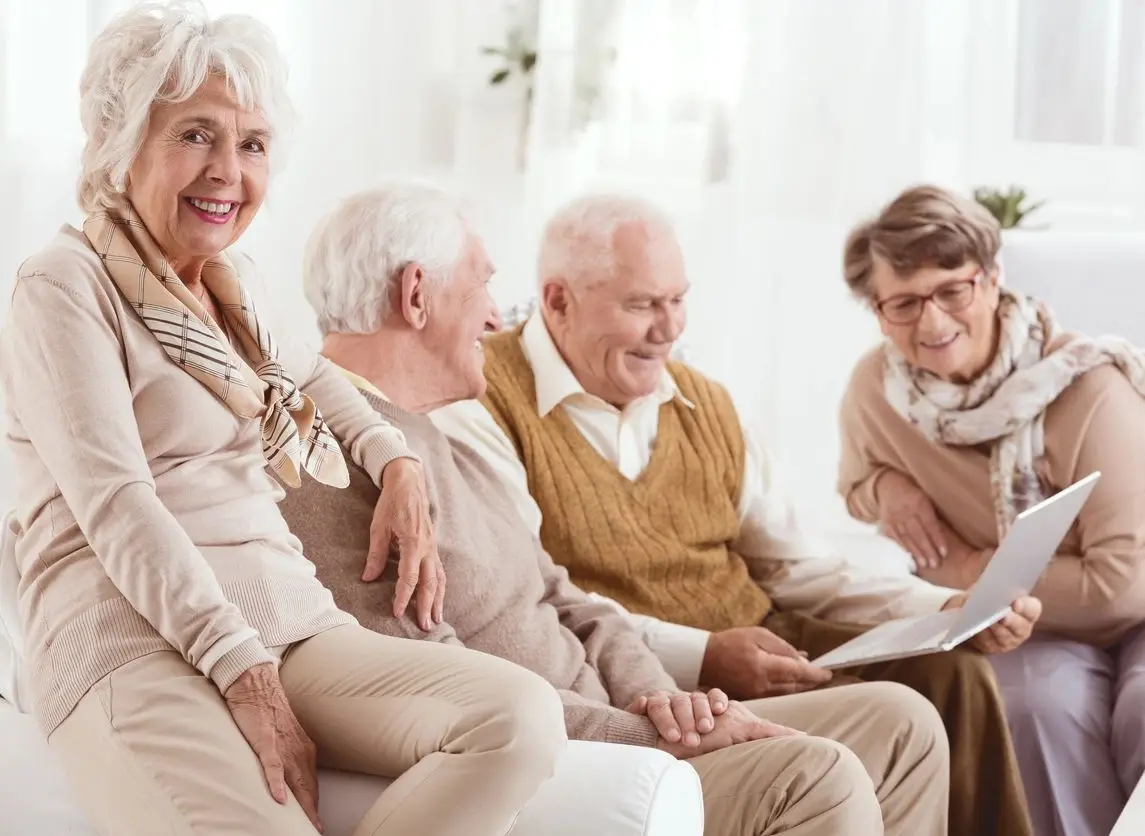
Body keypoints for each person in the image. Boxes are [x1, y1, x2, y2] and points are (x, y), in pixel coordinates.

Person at [0, 4, 567, 834]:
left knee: (516, 718)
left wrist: (396, 463)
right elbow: (119, 507)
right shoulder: (63, 287)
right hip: (127, 632)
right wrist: (243, 676)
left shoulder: (238, 287)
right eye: (195, 135)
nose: (227, 170)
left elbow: (315, 378)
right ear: (124, 145)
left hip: (285, 617)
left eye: (251, 143)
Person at [280, 181, 952, 836]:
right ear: (417, 296)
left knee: (900, 722)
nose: (495, 315)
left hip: (625, 722)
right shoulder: (336, 467)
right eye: (482, 285)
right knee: (814, 775)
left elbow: (566, 598)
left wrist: (667, 701)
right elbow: (439, 695)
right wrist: (643, 733)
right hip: (576, 764)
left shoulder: (430, 436)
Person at [430, 191, 1041, 836]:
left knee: (954, 673)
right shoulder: (482, 404)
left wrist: (937, 608)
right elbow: (535, 600)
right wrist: (704, 656)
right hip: (650, 680)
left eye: (677, 299)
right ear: (558, 301)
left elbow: (793, 567)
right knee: (904, 715)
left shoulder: (704, 403)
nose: (669, 329)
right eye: (642, 305)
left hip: (762, 642)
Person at [837, 183, 1145, 836]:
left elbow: (1119, 588)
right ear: (877, 310)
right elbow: (854, 481)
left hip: (1130, 604)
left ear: (992, 278)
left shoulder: (1090, 390)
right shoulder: (877, 389)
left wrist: (974, 568)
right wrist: (888, 488)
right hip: (1034, 621)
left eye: (953, 289)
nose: (931, 323)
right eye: (903, 303)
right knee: (1032, 706)